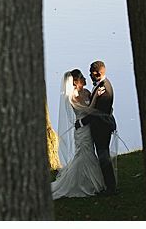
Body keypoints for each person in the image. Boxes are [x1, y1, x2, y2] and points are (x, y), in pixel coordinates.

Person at [51, 69, 105, 199]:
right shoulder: (73, 96)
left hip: (90, 128)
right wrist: (96, 96)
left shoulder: (86, 92)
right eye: (82, 77)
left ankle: (93, 181)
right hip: (82, 131)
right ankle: (84, 183)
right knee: (84, 154)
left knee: (90, 153)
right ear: (75, 82)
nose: (85, 78)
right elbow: (89, 109)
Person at [77, 60, 117, 195]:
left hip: (102, 128)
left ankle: (110, 187)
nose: (89, 75)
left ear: (98, 73)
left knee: (103, 156)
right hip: (100, 127)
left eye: (91, 73)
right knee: (102, 156)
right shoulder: (101, 85)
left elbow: (97, 113)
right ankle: (107, 185)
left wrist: (82, 123)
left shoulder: (105, 90)